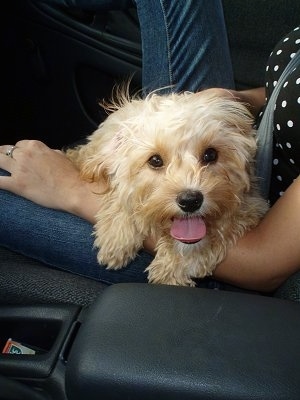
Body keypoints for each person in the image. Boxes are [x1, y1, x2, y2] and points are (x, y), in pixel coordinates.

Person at [0, 1, 299, 295]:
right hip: (252, 135)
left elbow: (265, 264)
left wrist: (74, 190)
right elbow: (276, 91)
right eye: (157, 161)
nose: (189, 187)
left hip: (245, 244)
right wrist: (236, 100)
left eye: (208, 156)